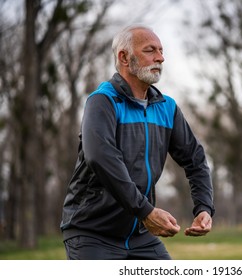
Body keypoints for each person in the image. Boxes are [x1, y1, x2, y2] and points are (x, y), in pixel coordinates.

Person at [60, 25, 215, 260]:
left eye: (161, 51)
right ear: (124, 57)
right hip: (91, 233)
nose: (160, 58)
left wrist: (204, 207)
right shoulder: (102, 102)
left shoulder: (167, 108)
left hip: (140, 234)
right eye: (150, 50)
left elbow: (195, 159)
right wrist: (146, 211)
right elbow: (100, 158)